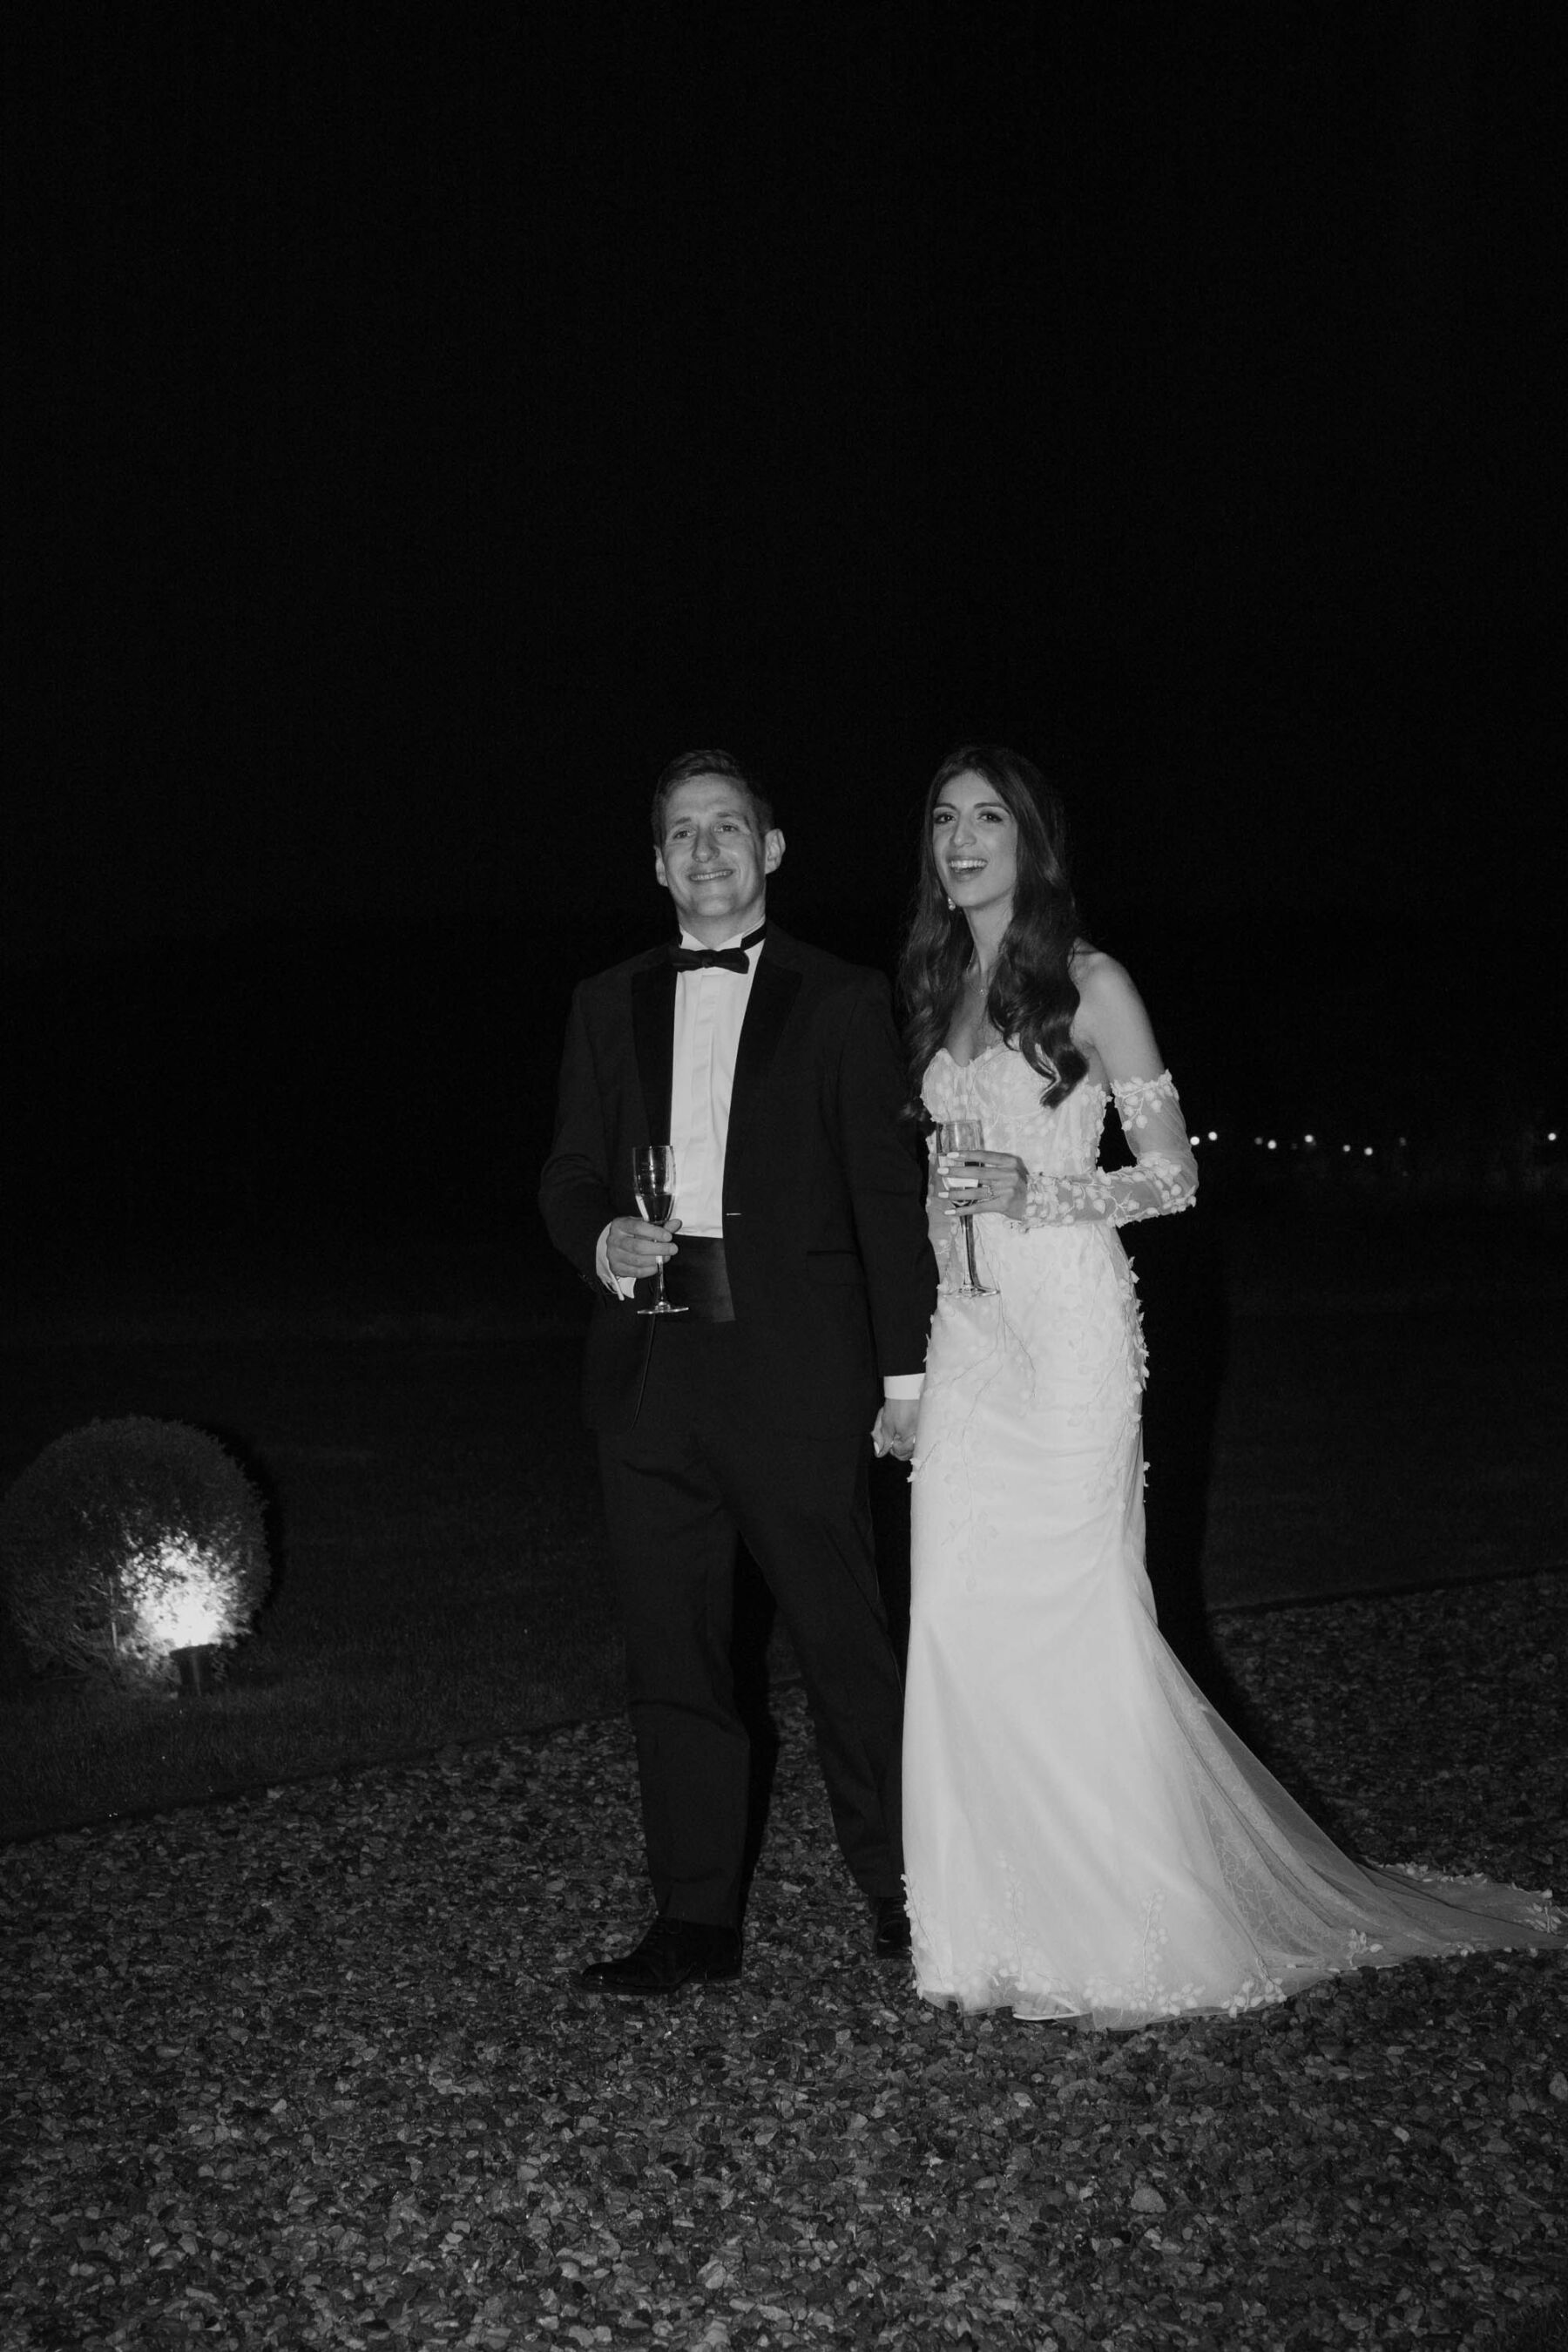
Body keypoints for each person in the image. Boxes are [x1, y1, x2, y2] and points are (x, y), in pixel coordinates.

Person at [897, 743, 1565, 2027]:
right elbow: (940, 1192)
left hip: (1076, 1326)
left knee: (1079, 1619)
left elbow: (1173, 1174)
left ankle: (1120, 1931)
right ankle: (985, 1928)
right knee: (956, 1619)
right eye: (943, 818)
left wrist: (1042, 1193)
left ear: (1034, 843)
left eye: (990, 817)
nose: (962, 838)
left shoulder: (1092, 983)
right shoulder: (939, 990)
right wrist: (930, 1354)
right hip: (974, 1336)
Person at [540, 749, 937, 1997]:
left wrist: (905, 1376)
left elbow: (886, 1200)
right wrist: (603, 1240)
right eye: (681, 833)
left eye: (729, 828)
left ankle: (911, 1891)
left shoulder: (842, 998)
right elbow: (569, 1174)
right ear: (656, 863)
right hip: (653, 1370)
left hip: (799, 1375)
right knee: (674, 1655)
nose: (705, 850)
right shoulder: (604, 1003)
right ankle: (696, 1920)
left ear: (771, 850)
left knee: (845, 1647)